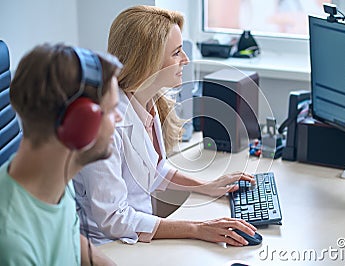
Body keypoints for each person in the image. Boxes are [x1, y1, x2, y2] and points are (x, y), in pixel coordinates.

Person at [74, 5, 257, 247]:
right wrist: (197, 229)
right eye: (177, 52)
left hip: (136, 237)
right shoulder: (107, 126)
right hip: (110, 247)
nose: (186, 60)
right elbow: (114, 218)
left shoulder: (148, 101)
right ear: (147, 61)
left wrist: (207, 186)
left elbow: (155, 170)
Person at [0, 43, 123, 265]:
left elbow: (69, 234)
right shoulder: (12, 244)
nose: (119, 118)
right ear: (81, 124)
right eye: (113, 109)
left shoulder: (54, 176)